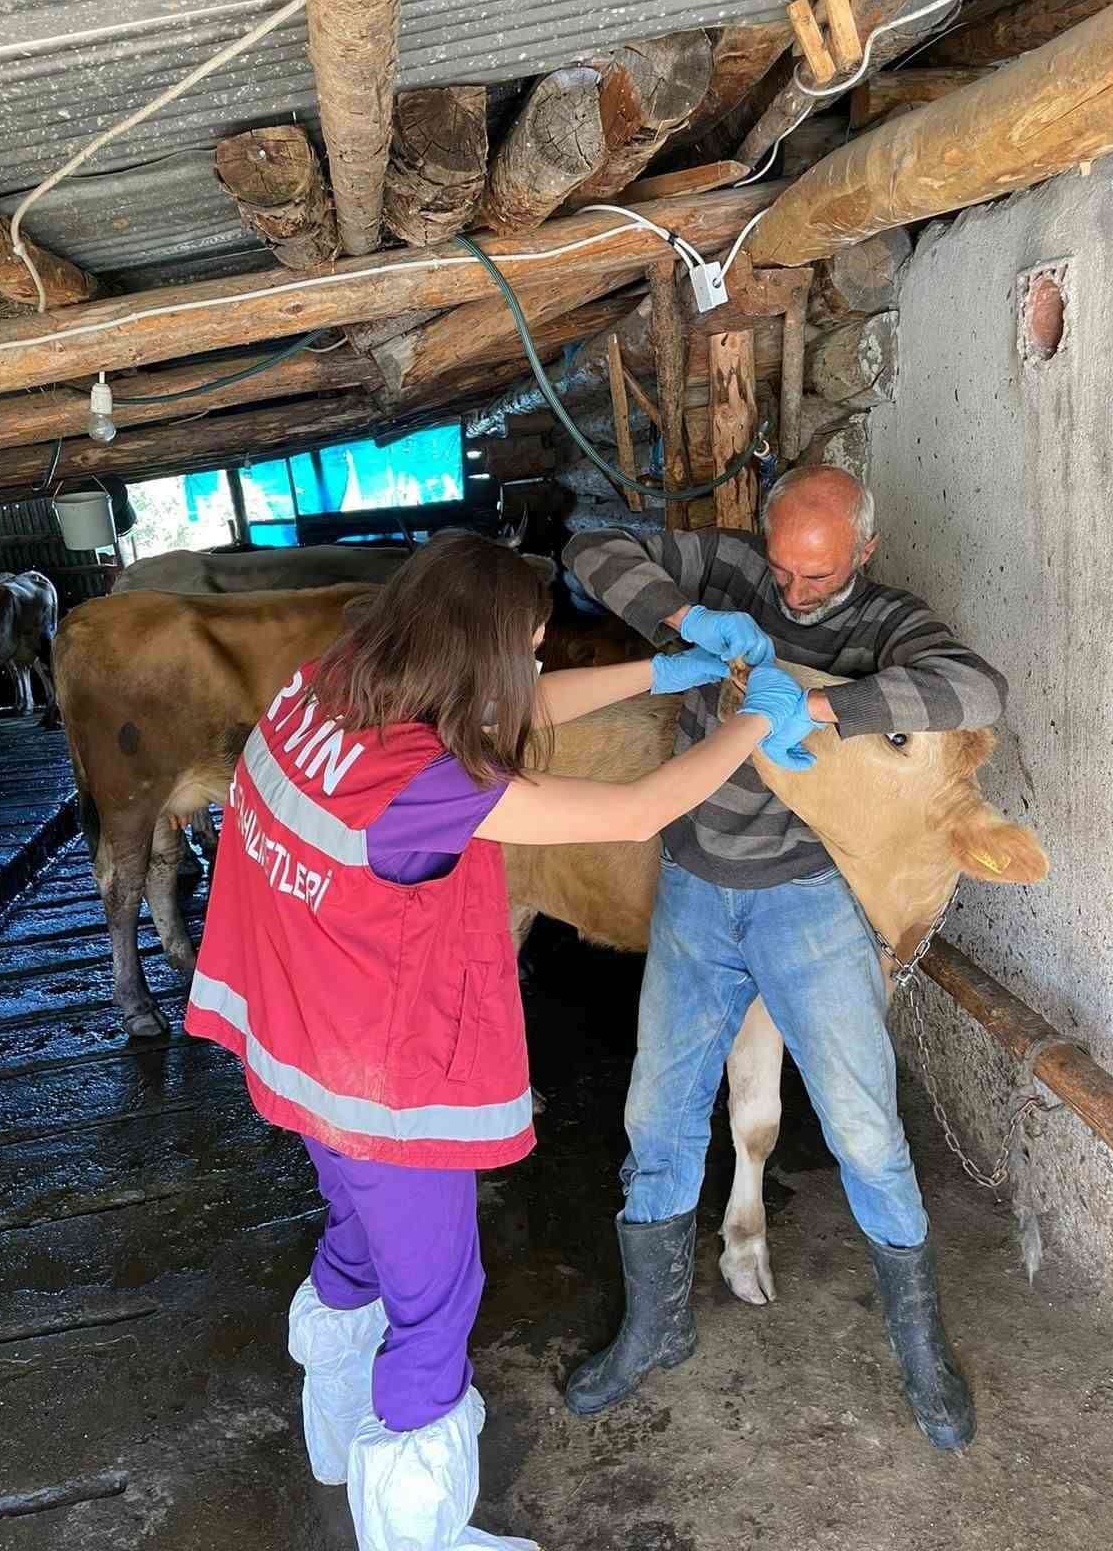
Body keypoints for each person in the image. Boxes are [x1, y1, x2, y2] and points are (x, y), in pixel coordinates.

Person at [184, 531, 815, 1551]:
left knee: (358, 1242)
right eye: (526, 650)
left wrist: (666, 668)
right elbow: (639, 807)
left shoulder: (337, 681)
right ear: (477, 655)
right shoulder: (416, 787)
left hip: (298, 1045)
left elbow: (506, 707)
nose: (532, 670)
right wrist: (751, 718)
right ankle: (417, 1532)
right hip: (375, 1082)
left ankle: (339, 1434)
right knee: (437, 1307)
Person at [561, 467, 1010, 1451]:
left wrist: (822, 706)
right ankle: (655, 1329)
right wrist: (690, 616)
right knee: (658, 1117)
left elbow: (978, 687)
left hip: (810, 902)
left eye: (820, 575)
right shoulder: (731, 572)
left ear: (863, 553)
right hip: (691, 885)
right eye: (783, 570)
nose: (796, 593)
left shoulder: (889, 620)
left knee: (863, 1128)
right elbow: (589, 548)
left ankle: (921, 1349)